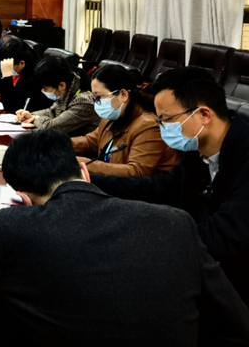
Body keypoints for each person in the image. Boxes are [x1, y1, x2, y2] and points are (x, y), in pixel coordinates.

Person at [0, 129, 249, 346]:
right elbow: (236, 320)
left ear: (22, 196)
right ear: (84, 171)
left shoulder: (13, 227)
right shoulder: (176, 223)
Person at [92, 67, 249, 304]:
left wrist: (147, 239)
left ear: (204, 114)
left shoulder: (243, 154)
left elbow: (225, 233)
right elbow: (161, 188)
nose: (162, 127)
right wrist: (90, 179)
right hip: (203, 268)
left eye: (166, 120)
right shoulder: (197, 149)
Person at [74, 64, 180, 177]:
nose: (96, 102)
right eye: (94, 97)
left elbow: (137, 171)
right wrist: (62, 144)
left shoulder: (149, 126)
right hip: (111, 182)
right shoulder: (112, 117)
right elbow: (91, 141)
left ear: (123, 94)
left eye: (99, 96)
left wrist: (86, 164)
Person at [16, 55, 99, 136]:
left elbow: (51, 127)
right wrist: (30, 115)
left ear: (62, 85)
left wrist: (36, 119)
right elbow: (52, 111)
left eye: (45, 88)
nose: (43, 91)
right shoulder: (67, 92)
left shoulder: (83, 102)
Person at [0, 37, 53, 114]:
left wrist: (6, 77)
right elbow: (16, 96)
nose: (5, 68)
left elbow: (11, 107)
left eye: (8, 65)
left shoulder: (34, 79)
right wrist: (2, 95)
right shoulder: (23, 73)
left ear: (21, 63)